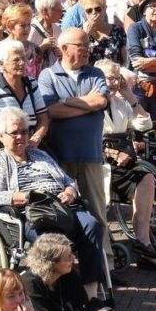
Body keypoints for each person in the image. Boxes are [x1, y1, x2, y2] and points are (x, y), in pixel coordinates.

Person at [0, 107, 106, 298]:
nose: (21, 136)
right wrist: (27, 196)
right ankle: (69, 295)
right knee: (56, 242)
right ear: (1, 135)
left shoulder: (40, 154)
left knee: (92, 226)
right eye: (14, 132)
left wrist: (70, 190)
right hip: (34, 212)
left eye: (24, 131)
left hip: (63, 206)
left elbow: (67, 179)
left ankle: (91, 293)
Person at [96, 59, 156, 270]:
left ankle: (143, 243)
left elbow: (144, 124)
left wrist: (130, 97)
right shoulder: (90, 103)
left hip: (123, 162)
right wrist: (111, 152)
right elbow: (85, 140)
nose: (112, 83)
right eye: (108, 78)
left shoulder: (121, 104)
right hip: (98, 164)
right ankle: (106, 252)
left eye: (116, 78)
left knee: (146, 177)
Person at [38, 27, 110, 228]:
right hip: (61, 157)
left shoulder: (95, 73)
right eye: (82, 45)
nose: (88, 49)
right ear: (64, 48)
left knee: (98, 214)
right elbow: (51, 111)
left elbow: (101, 102)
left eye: (88, 44)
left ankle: (105, 259)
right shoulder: (48, 76)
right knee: (61, 213)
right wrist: (88, 105)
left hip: (91, 155)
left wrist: (66, 100)